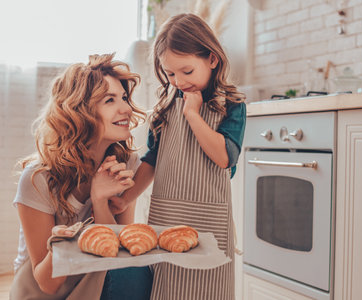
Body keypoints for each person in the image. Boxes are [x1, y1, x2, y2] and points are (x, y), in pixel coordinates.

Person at [110, 13, 247, 300]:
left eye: (186, 71)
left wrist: (193, 115)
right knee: (167, 288)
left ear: (212, 58)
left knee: (209, 290)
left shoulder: (231, 105)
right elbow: (152, 160)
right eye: (170, 74)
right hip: (167, 216)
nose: (179, 81)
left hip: (209, 223)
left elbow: (225, 157)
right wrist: (126, 197)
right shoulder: (164, 109)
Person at [10, 54, 153, 300]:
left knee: (132, 268)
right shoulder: (38, 178)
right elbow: (47, 284)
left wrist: (100, 201)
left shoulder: (124, 163)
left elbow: (118, 252)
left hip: (93, 276)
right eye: (110, 100)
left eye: (124, 98)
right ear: (81, 112)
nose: (127, 109)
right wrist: (62, 245)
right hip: (42, 289)